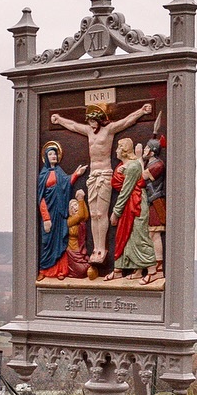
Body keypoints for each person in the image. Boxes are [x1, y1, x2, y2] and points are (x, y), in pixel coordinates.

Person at [47, 97, 153, 271]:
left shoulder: (109, 130)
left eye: (93, 120)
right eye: (89, 120)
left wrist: (141, 111)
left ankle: (101, 248)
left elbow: (126, 121)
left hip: (104, 173)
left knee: (100, 213)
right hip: (93, 175)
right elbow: (73, 126)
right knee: (93, 214)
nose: (91, 123)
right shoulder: (89, 131)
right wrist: (59, 120)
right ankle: (95, 248)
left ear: (101, 119)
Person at [106, 137, 159, 281]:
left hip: (136, 205)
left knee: (139, 237)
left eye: (118, 148)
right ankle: (121, 270)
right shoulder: (126, 166)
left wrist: (115, 212)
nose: (116, 151)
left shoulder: (133, 166)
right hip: (129, 204)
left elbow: (126, 190)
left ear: (124, 151)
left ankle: (152, 272)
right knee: (125, 237)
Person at [36, 141, 84, 280]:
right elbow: (41, 198)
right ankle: (44, 270)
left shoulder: (59, 172)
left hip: (60, 211)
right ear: (46, 156)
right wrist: (46, 218)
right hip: (49, 214)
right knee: (48, 242)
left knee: (60, 241)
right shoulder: (43, 175)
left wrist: (76, 174)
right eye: (50, 154)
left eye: (55, 154)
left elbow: (66, 183)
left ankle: (62, 270)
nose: (53, 156)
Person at [143, 134, 166, 278]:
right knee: (151, 234)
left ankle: (158, 269)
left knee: (154, 234)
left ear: (151, 151)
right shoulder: (151, 163)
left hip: (156, 202)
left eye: (146, 148)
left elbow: (143, 176)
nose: (144, 150)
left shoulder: (158, 165)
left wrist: (138, 158)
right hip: (150, 201)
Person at [65, 189, 91, 278]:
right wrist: (80, 199)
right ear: (70, 210)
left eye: (76, 205)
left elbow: (85, 215)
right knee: (82, 270)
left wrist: (82, 201)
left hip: (80, 249)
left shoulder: (81, 221)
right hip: (72, 250)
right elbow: (80, 215)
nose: (75, 207)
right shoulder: (70, 221)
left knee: (87, 267)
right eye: (72, 207)